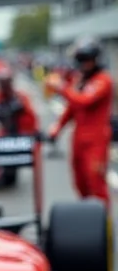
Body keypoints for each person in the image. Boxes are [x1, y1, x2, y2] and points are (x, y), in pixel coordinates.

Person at [47, 37, 114, 208]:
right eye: (82, 60)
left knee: (96, 184)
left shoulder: (103, 80)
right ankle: (86, 220)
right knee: (80, 183)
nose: (85, 64)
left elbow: (83, 101)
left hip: (96, 141)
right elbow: (72, 109)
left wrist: (61, 87)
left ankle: (102, 226)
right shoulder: (79, 80)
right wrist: (57, 128)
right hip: (78, 139)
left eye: (89, 59)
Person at [0, 68, 40, 136]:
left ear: (11, 82)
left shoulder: (21, 97)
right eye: (2, 82)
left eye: (7, 82)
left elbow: (32, 116)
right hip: (5, 132)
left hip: (23, 132)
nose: (5, 85)